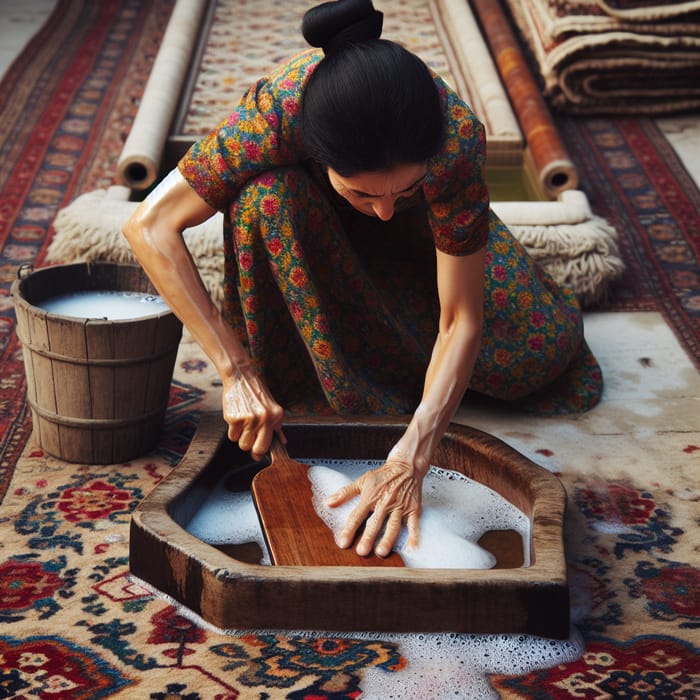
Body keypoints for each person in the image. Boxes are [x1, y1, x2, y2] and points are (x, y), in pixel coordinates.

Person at [123, 0, 602, 558]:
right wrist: (236, 372)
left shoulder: (454, 136)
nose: (383, 209)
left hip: (421, 253)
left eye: (402, 190)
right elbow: (150, 226)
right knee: (262, 200)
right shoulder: (277, 112)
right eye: (363, 192)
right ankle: (328, 374)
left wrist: (410, 457)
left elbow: (460, 317)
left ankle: (397, 370)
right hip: (313, 245)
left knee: (534, 356)